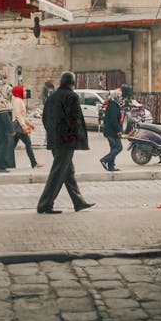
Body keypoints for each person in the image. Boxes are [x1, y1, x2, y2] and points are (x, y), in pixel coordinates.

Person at [36, 71, 95, 214]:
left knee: (67, 172)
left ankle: (78, 202)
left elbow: (45, 118)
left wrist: (52, 133)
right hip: (66, 141)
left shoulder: (52, 97)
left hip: (55, 140)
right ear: (72, 83)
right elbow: (74, 120)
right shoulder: (71, 96)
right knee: (58, 172)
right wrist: (75, 138)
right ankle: (45, 204)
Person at [10, 84, 41, 169]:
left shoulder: (19, 100)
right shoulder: (17, 101)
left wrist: (29, 124)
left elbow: (23, 116)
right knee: (28, 143)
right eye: (23, 91)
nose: (25, 93)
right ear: (19, 92)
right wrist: (24, 127)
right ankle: (33, 163)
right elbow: (18, 115)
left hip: (19, 126)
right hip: (19, 126)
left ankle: (4, 161)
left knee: (11, 146)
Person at [99, 91, 123, 171]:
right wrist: (118, 130)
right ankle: (104, 160)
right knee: (119, 147)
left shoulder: (112, 104)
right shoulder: (113, 105)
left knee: (114, 148)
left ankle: (111, 166)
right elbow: (113, 120)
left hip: (110, 131)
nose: (121, 98)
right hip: (112, 131)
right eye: (119, 97)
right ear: (116, 97)